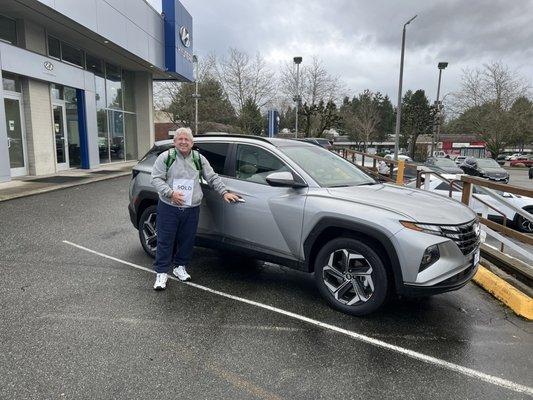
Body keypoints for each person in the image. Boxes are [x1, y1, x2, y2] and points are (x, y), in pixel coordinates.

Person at [150, 127, 239, 290]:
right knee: (165, 240)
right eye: (180, 139)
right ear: (174, 142)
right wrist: (170, 193)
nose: (183, 142)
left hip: (191, 208)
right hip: (169, 207)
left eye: (187, 139)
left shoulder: (199, 158)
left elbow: (211, 177)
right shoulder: (166, 157)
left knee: (187, 240)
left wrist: (224, 192)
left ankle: (180, 267)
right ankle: (161, 273)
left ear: (192, 143)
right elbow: (155, 179)